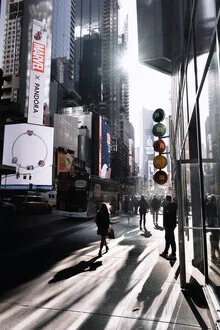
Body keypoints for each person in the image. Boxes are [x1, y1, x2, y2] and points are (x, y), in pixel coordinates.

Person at [160, 195, 177, 260]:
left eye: (165, 200)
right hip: (168, 225)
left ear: (167, 200)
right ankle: (166, 251)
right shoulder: (169, 206)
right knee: (167, 238)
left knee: (171, 239)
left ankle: (173, 254)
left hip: (169, 225)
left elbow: (169, 216)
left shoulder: (170, 207)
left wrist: (169, 225)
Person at [206, 195, 220, 262]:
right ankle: (215, 254)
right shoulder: (212, 205)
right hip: (214, 225)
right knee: (215, 240)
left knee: (214, 240)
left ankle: (213, 255)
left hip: (213, 225)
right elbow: (212, 216)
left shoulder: (210, 204)